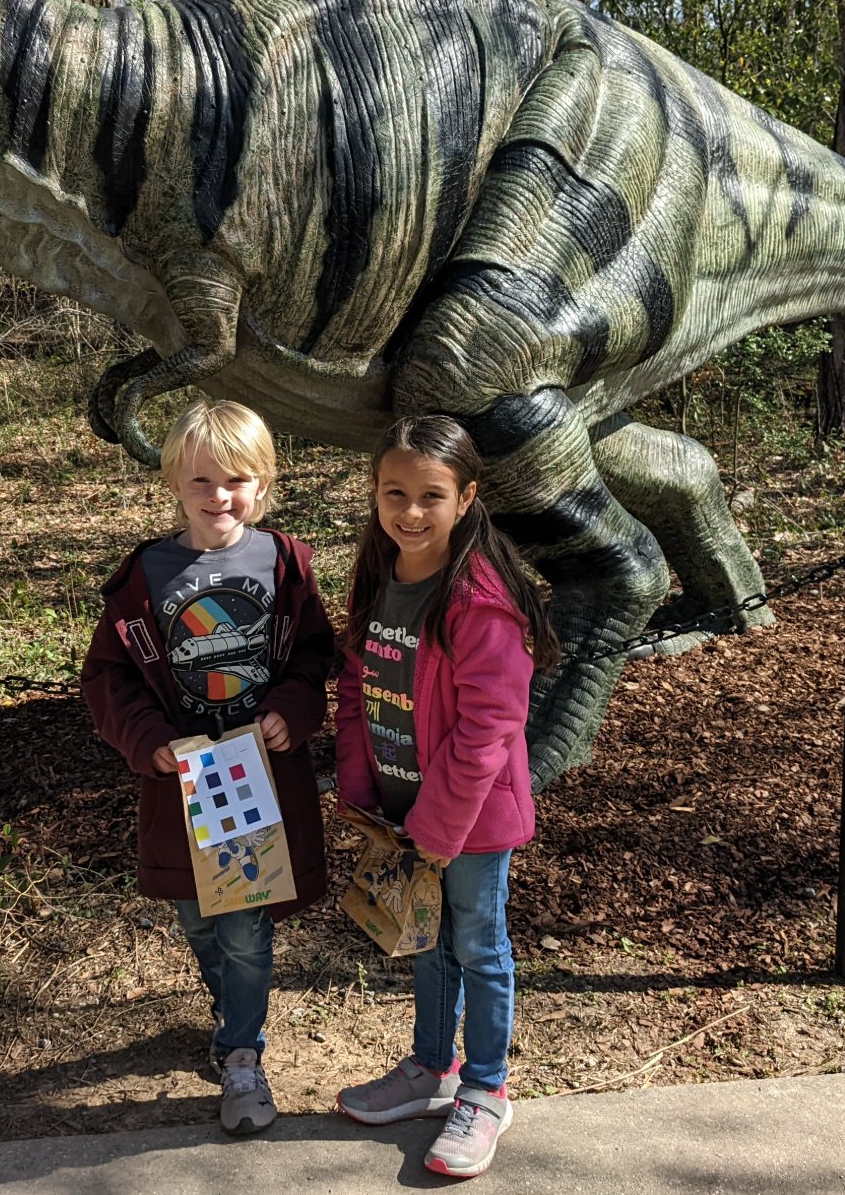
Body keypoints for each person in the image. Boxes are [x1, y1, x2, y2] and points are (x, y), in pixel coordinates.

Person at [78, 399, 334, 1136]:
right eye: (200, 482)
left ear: (264, 482)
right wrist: (146, 737)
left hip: (259, 781)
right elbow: (108, 677)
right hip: (184, 783)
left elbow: (317, 654)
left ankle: (242, 1052)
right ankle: (230, 1006)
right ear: (172, 484)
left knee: (246, 925)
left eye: (236, 480)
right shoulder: (146, 574)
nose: (219, 497)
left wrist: (292, 706)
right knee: (198, 917)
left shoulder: (284, 564)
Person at [332, 414, 557, 1180]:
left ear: (466, 499)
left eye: (432, 495)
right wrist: (365, 788)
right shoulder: (383, 576)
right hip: (406, 808)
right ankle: (434, 1067)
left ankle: (486, 1090)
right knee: (427, 941)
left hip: (471, 817)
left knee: (480, 945)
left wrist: (438, 825)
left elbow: (491, 725)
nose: (411, 511)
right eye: (395, 492)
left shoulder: (479, 599)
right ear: (375, 493)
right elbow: (359, 686)